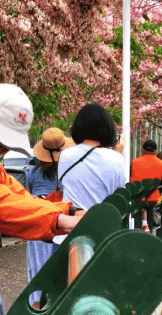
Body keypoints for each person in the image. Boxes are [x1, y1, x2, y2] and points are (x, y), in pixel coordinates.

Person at [0, 84, 82, 315]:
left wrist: (69, 210)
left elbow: (16, 195)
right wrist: (58, 219)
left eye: (7, 145)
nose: (1, 151)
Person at [54, 103, 125, 247]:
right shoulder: (116, 159)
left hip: (67, 236)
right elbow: (119, 196)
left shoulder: (65, 156)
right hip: (102, 236)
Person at [25, 127, 74, 308]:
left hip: (38, 228)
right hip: (60, 225)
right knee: (59, 272)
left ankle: (37, 311)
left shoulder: (33, 173)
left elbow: (29, 197)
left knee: (37, 271)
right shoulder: (68, 171)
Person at [130, 139, 162, 233]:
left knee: (136, 221)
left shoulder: (135, 162)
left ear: (143, 150)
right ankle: (149, 235)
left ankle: (138, 235)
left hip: (137, 196)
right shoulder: (160, 163)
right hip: (153, 196)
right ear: (155, 151)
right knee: (150, 219)